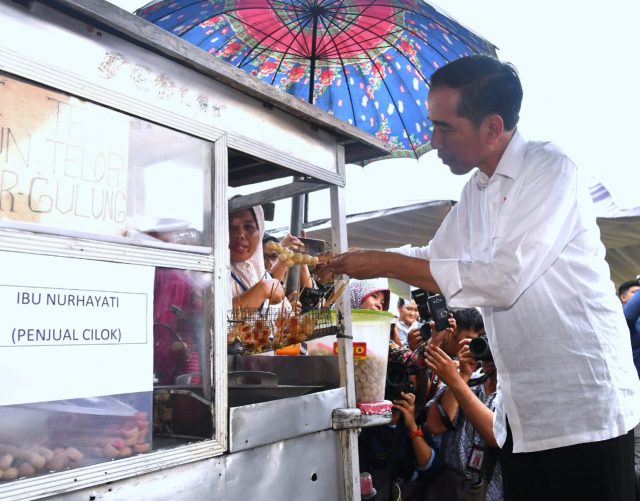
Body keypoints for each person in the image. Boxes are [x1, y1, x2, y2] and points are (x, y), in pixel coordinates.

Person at [324, 55, 640, 500]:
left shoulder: (549, 168)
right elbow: (435, 258)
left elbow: (503, 279)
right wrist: (360, 258)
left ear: (492, 128)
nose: (434, 141)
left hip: (582, 406)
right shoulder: (475, 191)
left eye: (444, 127)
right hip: (525, 413)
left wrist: (383, 262)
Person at [425, 322, 503, 501]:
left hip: (492, 492)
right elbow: (435, 426)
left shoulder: (515, 390)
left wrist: (456, 382)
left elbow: (495, 434)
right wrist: (463, 377)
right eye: (485, 339)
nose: (490, 348)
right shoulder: (466, 378)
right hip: (451, 487)